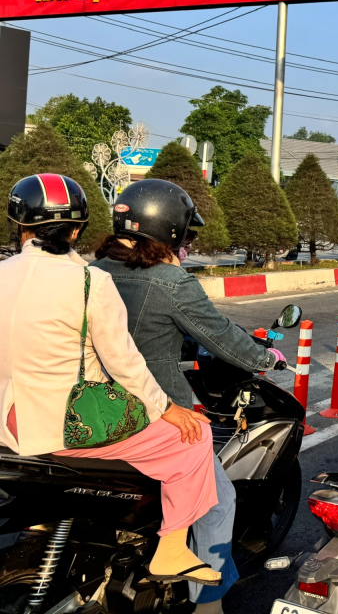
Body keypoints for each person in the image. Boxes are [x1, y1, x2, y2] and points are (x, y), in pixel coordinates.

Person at [0, 174, 221, 587]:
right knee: (192, 438)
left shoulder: (3, 273)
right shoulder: (88, 282)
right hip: (63, 425)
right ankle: (172, 549)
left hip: (9, 423)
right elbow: (124, 363)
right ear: (78, 229)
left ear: (20, 225)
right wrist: (169, 409)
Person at [91, 179, 288, 611]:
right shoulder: (171, 282)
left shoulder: (92, 271)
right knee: (218, 502)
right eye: (188, 235)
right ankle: (209, 604)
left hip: (87, 410)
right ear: (172, 232)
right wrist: (267, 359)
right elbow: (221, 337)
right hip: (157, 411)